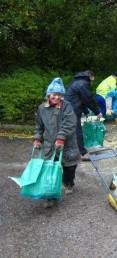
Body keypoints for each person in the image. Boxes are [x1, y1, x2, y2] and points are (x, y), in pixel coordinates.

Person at [33, 78, 80, 208]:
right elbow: (39, 126)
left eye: (59, 94)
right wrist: (37, 138)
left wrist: (61, 137)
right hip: (49, 144)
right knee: (49, 170)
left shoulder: (67, 106)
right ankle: (50, 196)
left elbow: (70, 123)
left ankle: (69, 183)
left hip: (67, 143)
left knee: (69, 167)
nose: (56, 96)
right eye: (54, 94)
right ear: (48, 94)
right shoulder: (42, 108)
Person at [64, 71, 102, 161]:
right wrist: (97, 112)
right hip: (71, 110)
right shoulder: (83, 84)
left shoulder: (76, 82)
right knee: (77, 130)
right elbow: (88, 99)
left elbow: (81, 98)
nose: (93, 80)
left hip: (68, 108)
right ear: (90, 76)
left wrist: (85, 111)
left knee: (70, 130)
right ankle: (82, 153)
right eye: (93, 78)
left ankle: (71, 150)